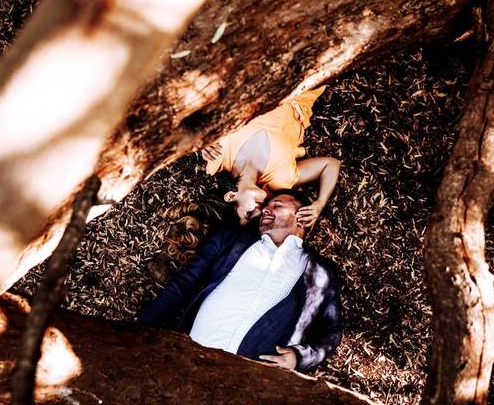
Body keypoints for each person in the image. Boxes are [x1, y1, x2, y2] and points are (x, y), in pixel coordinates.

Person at [139, 191, 343, 373]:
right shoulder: (231, 238)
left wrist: (299, 358)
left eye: (278, 206)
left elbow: (330, 331)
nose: (266, 211)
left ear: (302, 218)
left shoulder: (321, 273)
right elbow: (184, 282)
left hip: (248, 380)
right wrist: (141, 328)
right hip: (187, 357)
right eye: (266, 207)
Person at [201, 87, 341, 229]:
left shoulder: (217, 156)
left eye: (249, 214)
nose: (260, 210)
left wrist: (202, 138)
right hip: (303, 88)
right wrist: (320, 202)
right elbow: (330, 164)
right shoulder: (279, 180)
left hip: (260, 80)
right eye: (260, 215)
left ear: (230, 196)